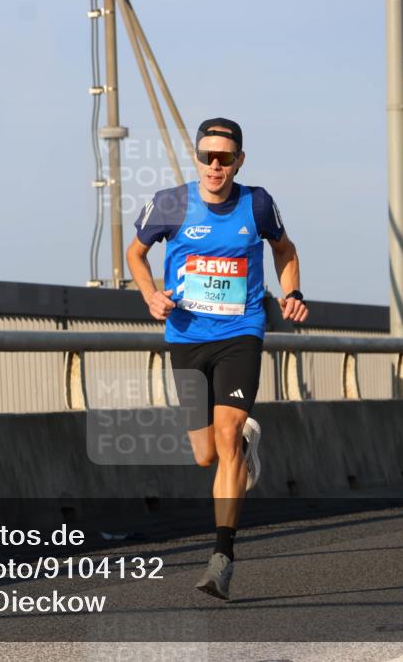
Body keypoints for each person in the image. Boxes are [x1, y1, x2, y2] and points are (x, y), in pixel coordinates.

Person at [125, 117, 309, 600]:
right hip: (186, 337)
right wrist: (149, 296)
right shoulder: (171, 203)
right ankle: (244, 449)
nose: (215, 165)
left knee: (225, 437)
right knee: (205, 453)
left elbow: (284, 250)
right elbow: (135, 254)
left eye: (224, 158)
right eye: (207, 156)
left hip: (240, 333)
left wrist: (291, 292)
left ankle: (222, 556)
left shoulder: (258, 203)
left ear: (238, 162)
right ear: (198, 158)